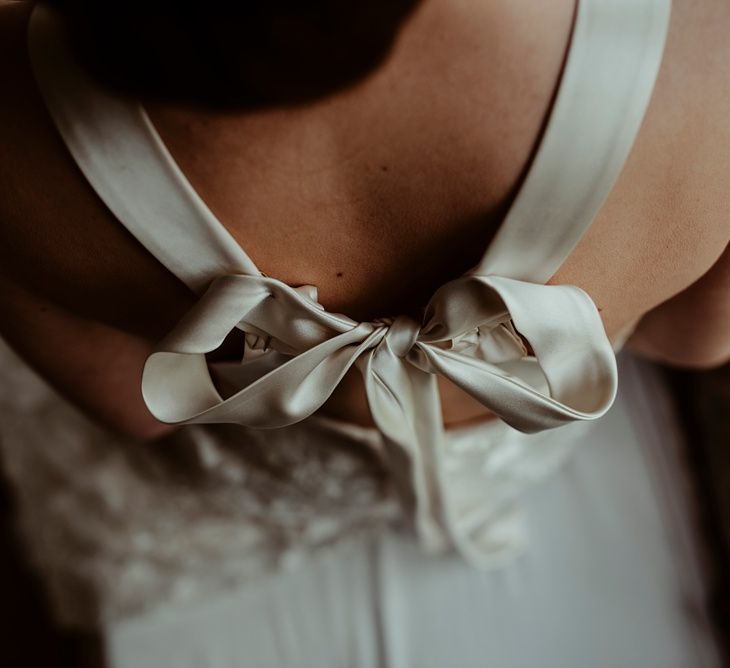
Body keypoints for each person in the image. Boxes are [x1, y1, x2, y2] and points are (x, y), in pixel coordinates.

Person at [0, 0, 727, 665]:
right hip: (524, 450)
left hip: (273, 477)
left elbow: (136, 405)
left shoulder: (15, 133)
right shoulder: (703, 44)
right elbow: (697, 337)